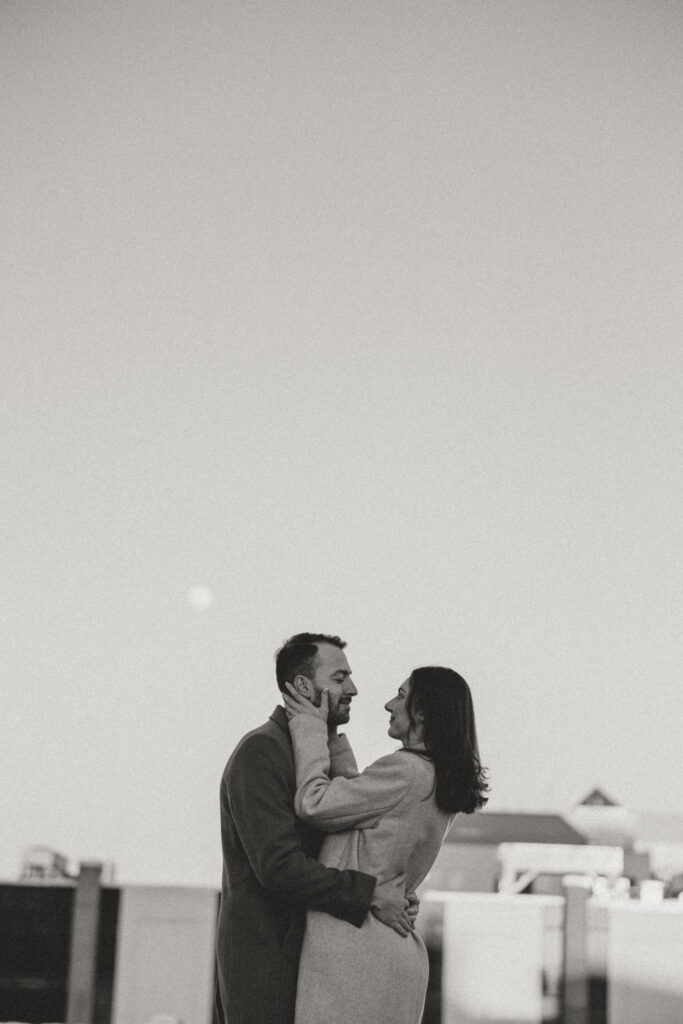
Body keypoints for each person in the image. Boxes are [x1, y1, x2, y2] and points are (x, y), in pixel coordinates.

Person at [215, 633, 414, 1024]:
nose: (353, 689)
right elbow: (279, 867)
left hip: (313, 964)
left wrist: (394, 890)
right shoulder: (262, 751)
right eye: (340, 678)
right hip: (269, 969)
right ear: (304, 686)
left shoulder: (313, 757)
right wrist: (369, 894)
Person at [283, 665, 490, 1024]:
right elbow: (361, 808)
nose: (389, 704)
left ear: (422, 713)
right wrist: (333, 737)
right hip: (387, 952)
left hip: (356, 954)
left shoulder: (407, 771)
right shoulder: (434, 779)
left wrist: (309, 725)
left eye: (402, 695)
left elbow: (315, 803)